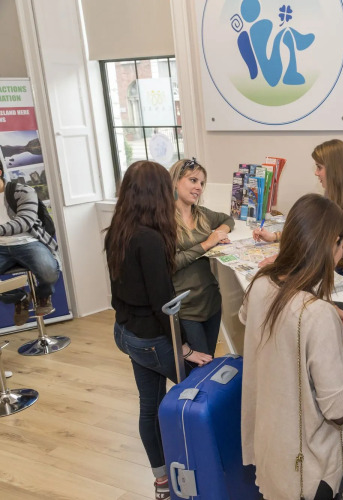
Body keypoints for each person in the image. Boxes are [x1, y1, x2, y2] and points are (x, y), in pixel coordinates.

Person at [241, 193, 343, 499]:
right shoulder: (317, 315)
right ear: (332, 243)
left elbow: (254, 317)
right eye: (341, 245)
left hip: (271, 456)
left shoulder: (260, 284)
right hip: (310, 472)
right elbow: (338, 410)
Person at [105, 161, 212, 500]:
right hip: (150, 337)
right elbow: (162, 304)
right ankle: (204, 472)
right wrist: (186, 350)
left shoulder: (118, 230)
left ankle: (163, 481)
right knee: (202, 393)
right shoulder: (149, 239)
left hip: (126, 333)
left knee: (150, 406)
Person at [253, 139, 343, 299]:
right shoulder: (331, 194)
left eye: (319, 167)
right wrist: (275, 236)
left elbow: (342, 246)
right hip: (342, 280)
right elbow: (313, 232)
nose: (316, 173)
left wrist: (287, 261)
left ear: (335, 169)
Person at [169, 158, 233, 356]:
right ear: (176, 181)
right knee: (198, 365)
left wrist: (220, 234)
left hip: (211, 302)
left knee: (209, 361)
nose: (199, 187)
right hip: (186, 308)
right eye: (193, 180)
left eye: (202, 183)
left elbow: (228, 219)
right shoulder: (164, 220)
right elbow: (171, 264)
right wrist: (207, 243)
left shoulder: (201, 215)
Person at [0, 160, 59, 326]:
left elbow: (24, 222)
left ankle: (42, 295)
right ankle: (19, 297)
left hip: (28, 241)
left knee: (48, 272)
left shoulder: (23, 191)